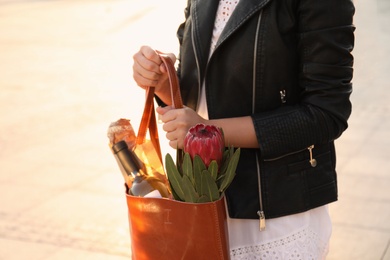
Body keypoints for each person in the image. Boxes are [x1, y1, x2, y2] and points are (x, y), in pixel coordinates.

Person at [132, 0, 355, 258]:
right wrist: (161, 82)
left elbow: (326, 113)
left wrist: (209, 130)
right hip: (204, 203)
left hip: (276, 213)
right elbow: (198, 93)